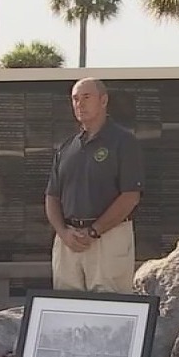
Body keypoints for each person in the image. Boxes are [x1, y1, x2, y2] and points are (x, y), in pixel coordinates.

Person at [44, 77, 144, 293]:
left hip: (108, 238)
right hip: (68, 241)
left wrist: (94, 231)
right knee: (67, 310)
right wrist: (63, 232)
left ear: (103, 100)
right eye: (75, 99)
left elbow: (130, 196)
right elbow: (52, 197)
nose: (80, 104)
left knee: (109, 309)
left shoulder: (123, 142)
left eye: (86, 97)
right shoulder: (67, 147)